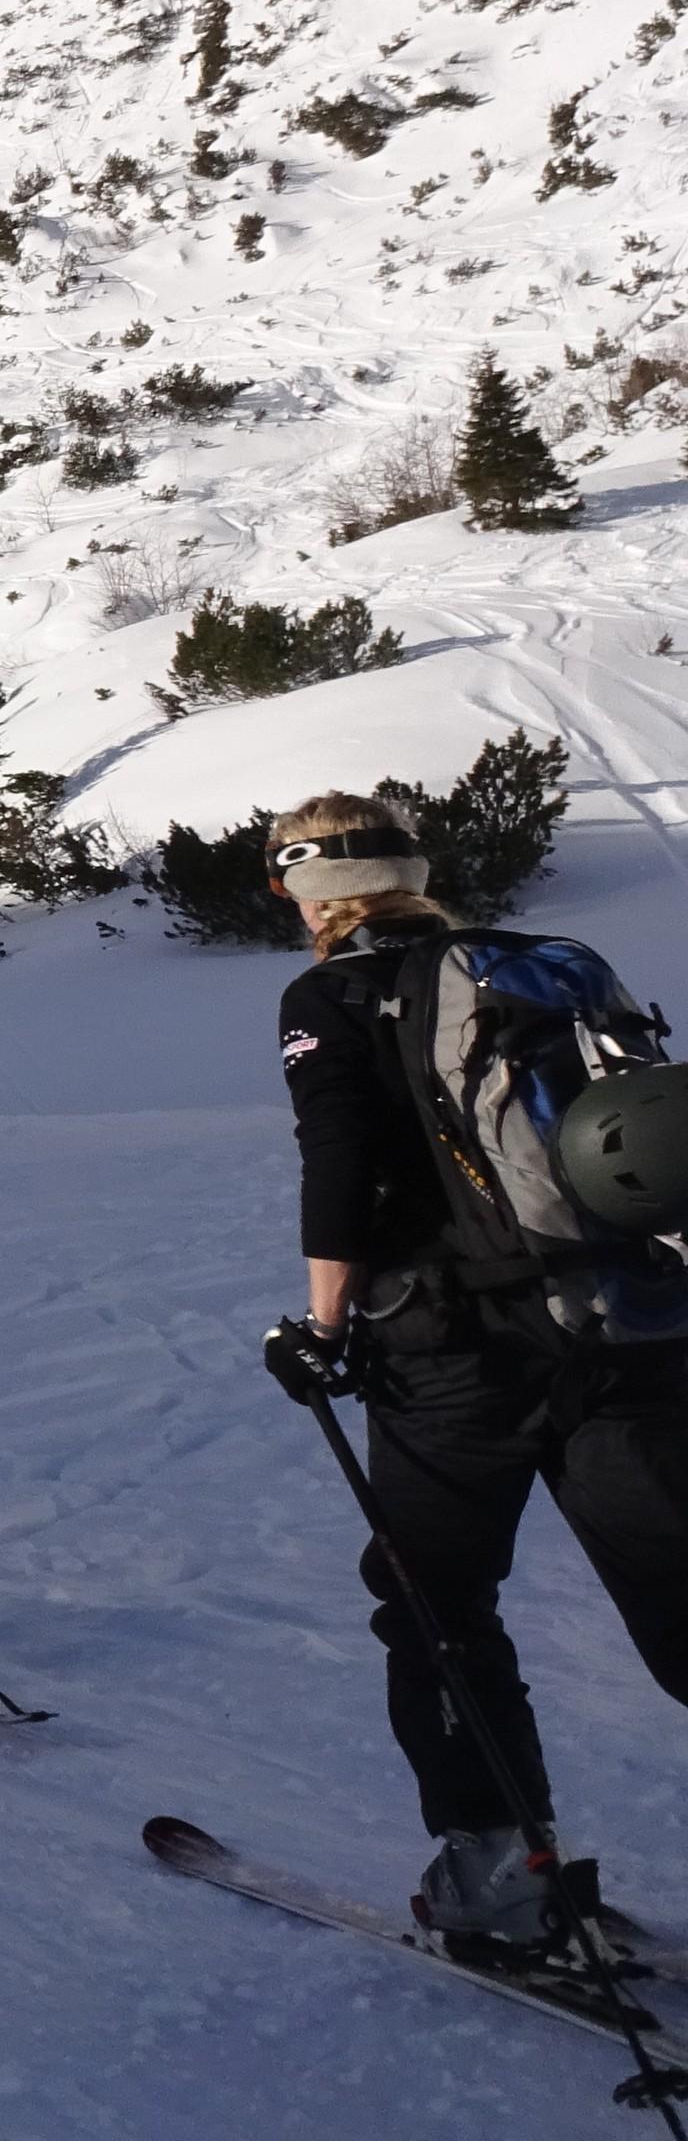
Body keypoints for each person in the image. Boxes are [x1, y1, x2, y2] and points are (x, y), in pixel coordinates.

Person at [255, 792, 688, 1953]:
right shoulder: (541, 967)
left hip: (456, 1360)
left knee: (438, 1607)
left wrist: (323, 1322)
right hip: (628, 1325)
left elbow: (338, 1163)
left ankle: (501, 1885)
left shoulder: (331, 996)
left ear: (310, 888)